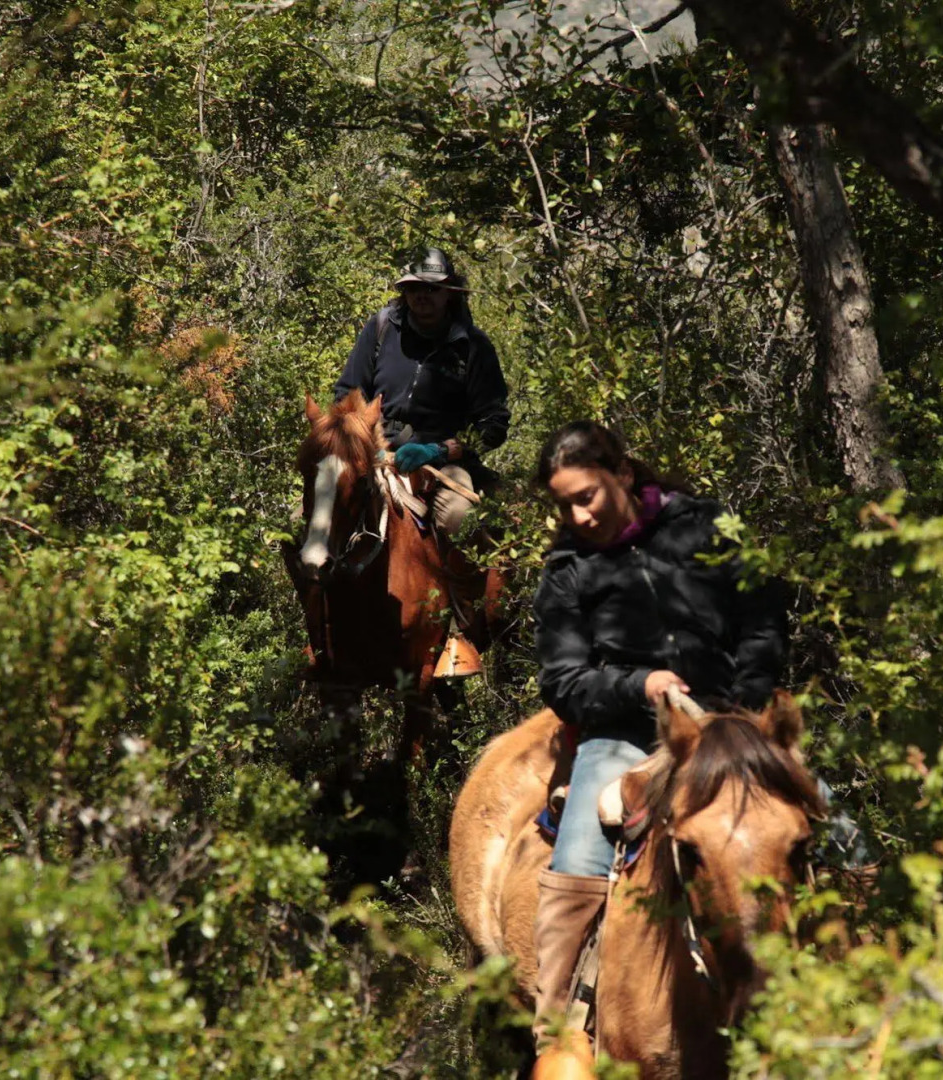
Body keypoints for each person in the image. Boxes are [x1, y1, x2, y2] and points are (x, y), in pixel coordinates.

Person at [528, 420, 787, 1048]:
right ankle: (560, 1035)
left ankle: (877, 980)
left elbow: (764, 614)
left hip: (727, 721)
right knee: (579, 860)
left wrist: (747, 710)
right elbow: (563, 681)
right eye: (563, 505)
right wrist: (637, 685)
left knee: (826, 822)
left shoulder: (706, 525)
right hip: (622, 736)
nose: (578, 516)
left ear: (621, 475)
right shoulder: (567, 571)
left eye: (586, 496)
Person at [334, 247, 510, 539]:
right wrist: (364, 441)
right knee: (306, 517)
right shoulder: (381, 328)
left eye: (431, 287)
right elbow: (347, 393)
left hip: (441, 465)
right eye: (413, 287)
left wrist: (440, 450)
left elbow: (493, 423)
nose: (421, 295)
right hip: (374, 453)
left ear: (449, 292)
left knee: (459, 519)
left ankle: (464, 586)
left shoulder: (473, 346)